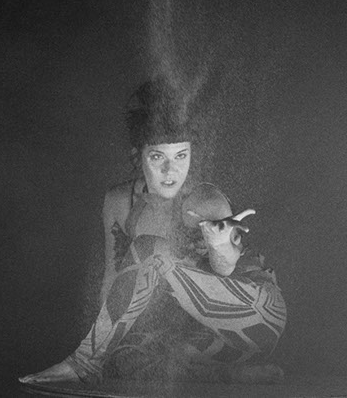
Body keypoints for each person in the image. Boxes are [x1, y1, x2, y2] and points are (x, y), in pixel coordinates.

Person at [19, 78, 286, 386]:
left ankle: (83, 363)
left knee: (148, 248)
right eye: (158, 157)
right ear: (138, 156)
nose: (171, 171)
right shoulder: (119, 202)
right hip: (206, 342)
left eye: (181, 156)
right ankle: (229, 375)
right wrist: (107, 346)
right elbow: (113, 279)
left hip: (256, 316)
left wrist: (219, 244)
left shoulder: (203, 200)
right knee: (124, 357)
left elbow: (225, 269)